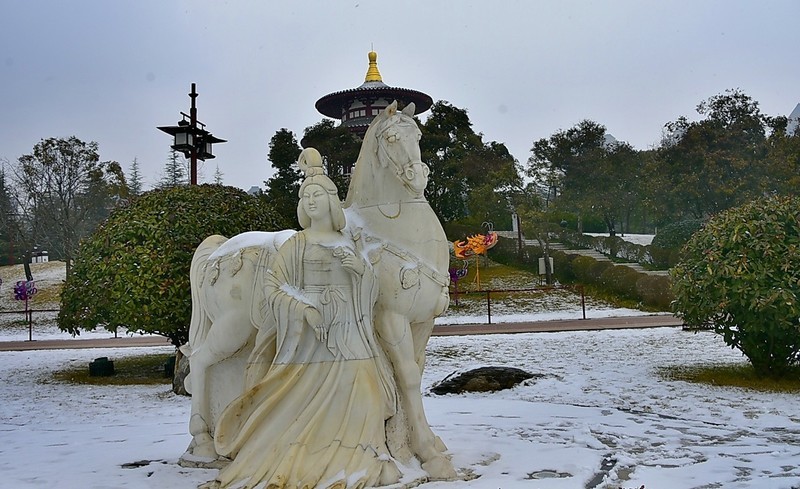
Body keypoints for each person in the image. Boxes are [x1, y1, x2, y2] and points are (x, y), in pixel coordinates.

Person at [211, 148, 400, 489]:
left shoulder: (349, 242)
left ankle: (358, 455)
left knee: (366, 393)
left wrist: (360, 271)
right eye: (306, 196)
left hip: (349, 335)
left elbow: (369, 285)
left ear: (331, 201)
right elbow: (274, 286)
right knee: (296, 401)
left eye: (318, 195)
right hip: (308, 342)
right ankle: (301, 454)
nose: (312, 201)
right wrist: (304, 309)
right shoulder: (296, 244)